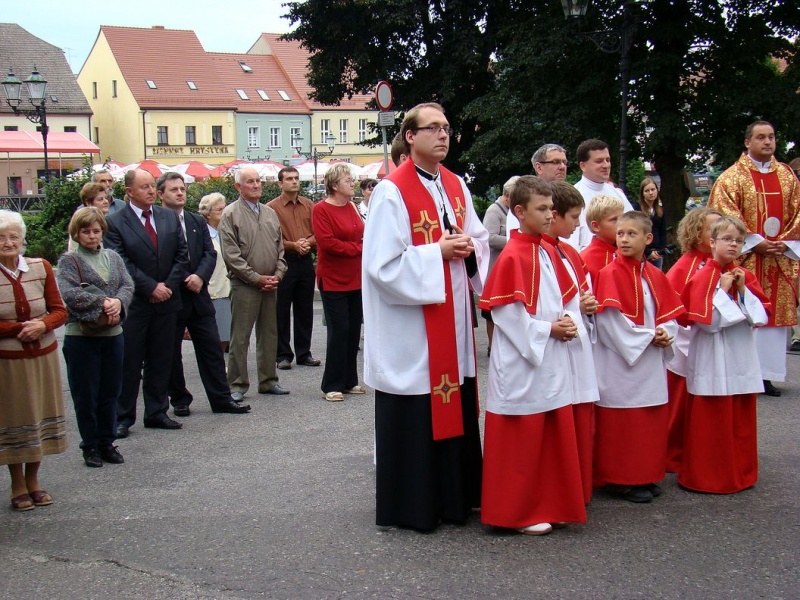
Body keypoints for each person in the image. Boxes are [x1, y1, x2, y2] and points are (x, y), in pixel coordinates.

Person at [363, 102, 489, 532]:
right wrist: (438, 251)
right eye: (432, 128)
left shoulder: (455, 184)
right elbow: (381, 264)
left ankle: (456, 499)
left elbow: (478, 237)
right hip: (414, 328)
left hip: (452, 321)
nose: (443, 135)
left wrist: (468, 248)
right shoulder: (391, 191)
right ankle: (414, 505)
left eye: (447, 128)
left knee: (454, 397)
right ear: (410, 137)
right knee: (420, 405)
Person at [479, 176, 588, 536]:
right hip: (522, 360)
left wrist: (569, 321)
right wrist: (548, 331)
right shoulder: (513, 254)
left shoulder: (543, 249)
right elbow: (507, 314)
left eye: (551, 209)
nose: (549, 214)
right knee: (522, 439)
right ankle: (516, 511)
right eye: (542, 209)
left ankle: (547, 502)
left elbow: (561, 296)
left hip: (548, 356)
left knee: (548, 434)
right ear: (520, 212)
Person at [593, 211, 685, 503]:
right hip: (621, 362)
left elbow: (670, 315)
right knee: (623, 424)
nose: (623, 239)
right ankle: (620, 480)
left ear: (648, 239)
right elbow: (609, 323)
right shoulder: (609, 274)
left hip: (650, 359)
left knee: (648, 421)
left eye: (631, 234)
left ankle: (645, 473)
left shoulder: (655, 275)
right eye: (620, 234)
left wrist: (665, 333)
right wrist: (648, 337)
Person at [708, 121, 800, 397]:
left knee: (772, 317)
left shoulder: (787, 177)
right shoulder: (731, 178)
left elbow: (798, 211)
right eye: (761, 137)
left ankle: (767, 376)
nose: (767, 142)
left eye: (771, 137)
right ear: (747, 142)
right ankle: (743, 372)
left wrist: (783, 243)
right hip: (746, 259)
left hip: (779, 257)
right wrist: (755, 243)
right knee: (745, 313)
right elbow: (723, 213)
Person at [679, 216, 770, 493]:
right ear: (712, 242)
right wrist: (723, 291)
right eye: (727, 239)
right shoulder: (703, 275)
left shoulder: (746, 275)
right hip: (712, 356)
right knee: (712, 419)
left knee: (739, 417)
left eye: (739, 241)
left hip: (739, 354)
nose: (733, 245)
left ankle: (740, 473)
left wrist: (742, 291)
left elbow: (760, 317)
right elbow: (707, 324)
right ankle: (708, 476)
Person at [104, 168, 190, 438]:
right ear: (129, 191)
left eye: (153, 186)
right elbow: (120, 262)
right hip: (136, 303)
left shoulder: (167, 217)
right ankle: (123, 416)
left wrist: (166, 286)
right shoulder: (116, 222)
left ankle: (157, 411)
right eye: (144, 187)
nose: (151, 191)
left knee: (161, 359)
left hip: (167, 300)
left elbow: (181, 255)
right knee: (130, 361)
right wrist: (150, 287)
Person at [156, 172, 250, 417]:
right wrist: (182, 278)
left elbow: (210, 253)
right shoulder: (157, 221)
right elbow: (160, 259)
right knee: (171, 351)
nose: (179, 193)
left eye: (182, 189)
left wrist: (199, 276)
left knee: (211, 348)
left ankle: (221, 399)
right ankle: (179, 398)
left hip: (199, 294)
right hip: (173, 295)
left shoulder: (196, 221)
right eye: (173, 189)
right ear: (160, 194)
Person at [0, 210, 67, 511]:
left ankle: (35, 480)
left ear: (23, 239)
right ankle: (17, 484)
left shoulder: (41, 267)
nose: (8, 242)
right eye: (1, 237)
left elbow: (59, 310)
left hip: (43, 358)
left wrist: (43, 325)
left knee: (38, 417)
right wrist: (18, 329)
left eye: (13, 236)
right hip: (8, 362)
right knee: (16, 420)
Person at [57, 207, 134, 468]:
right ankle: (89, 445)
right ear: (76, 234)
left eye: (96, 230)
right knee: (85, 394)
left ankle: (107, 442)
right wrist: (104, 304)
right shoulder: (70, 260)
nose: (92, 235)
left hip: (113, 335)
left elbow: (127, 285)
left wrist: (118, 303)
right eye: (86, 231)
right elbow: (69, 294)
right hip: (81, 336)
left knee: (110, 391)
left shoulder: (113, 257)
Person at [543, 180, 600, 504]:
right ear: (555, 215)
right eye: (574, 216)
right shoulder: (541, 252)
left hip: (578, 344)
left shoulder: (570, 252)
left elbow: (579, 291)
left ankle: (578, 487)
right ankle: (565, 490)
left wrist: (585, 306)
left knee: (579, 414)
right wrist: (576, 309)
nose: (578, 224)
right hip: (559, 343)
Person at [219, 167, 289, 400]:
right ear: (238, 187)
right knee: (240, 336)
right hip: (245, 284)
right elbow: (231, 255)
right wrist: (255, 278)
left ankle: (269, 380)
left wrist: (278, 274)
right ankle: (237, 384)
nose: (256, 185)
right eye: (250, 182)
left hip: (271, 282)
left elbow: (280, 248)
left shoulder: (269, 213)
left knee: (269, 334)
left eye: (258, 181)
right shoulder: (230, 214)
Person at [664, 207, 722, 472]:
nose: (719, 234)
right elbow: (674, 309)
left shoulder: (719, 263)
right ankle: (674, 454)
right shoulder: (685, 266)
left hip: (714, 344)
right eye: (713, 229)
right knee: (680, 405)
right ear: (696, 233)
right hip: (687, 345)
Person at [312, 164, 365, 401]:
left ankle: (349, 380)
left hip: (356, 277)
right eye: (347, 180)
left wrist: (362, 247)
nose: (352, 183)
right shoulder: (321, 209)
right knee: (339, 330)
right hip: (333, 279)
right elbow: (327, 242)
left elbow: (363, 234)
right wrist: (358, 249)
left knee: (353, 330)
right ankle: (331, 384)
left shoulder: (352, 206)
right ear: (334, 185)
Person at [267, 167, 321, 371]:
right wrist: (293, 245)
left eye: (296, 178)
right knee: (281, 308)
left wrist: (307, 243)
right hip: (284, 260)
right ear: (280, 183)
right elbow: (272, 237)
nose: (294, 182)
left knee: (305, 308)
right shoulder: (271, 207)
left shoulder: (309, 205)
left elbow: (318, 231)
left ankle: (304, 352)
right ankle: (282, 354)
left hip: (305, 259)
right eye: (289, 179)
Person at [570, 139, 634, 250]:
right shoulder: (573, 197)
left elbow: (634, 227)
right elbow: (570, 244)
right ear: (583, 166)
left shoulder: (618, 194)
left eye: (608, 160)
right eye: (599, 161)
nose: (606, 165)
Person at [481, 175, 518, 355]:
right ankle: (491, 345)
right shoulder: (494, 211)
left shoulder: (515, 212)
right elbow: (489, 237)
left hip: (510, 267)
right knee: (491, 311)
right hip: (495, 267)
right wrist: (514, 241)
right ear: (507, 195)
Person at [506, 144, 567, 235]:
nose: (562, 167)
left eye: (564, 162)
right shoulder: (523, 198)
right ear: (539, 167)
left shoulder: (571, 195)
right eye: (555, 162)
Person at [198, 193, 231, 352]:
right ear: (207, 213)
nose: (223, 212)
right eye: (219, 210)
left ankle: (221, 362)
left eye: (224, 208)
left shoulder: (225, 232)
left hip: (228, 287)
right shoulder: (203, 235)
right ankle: (216, 363)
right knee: (215, 332)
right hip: (213, 288)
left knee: (225, 331)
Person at [579, 194, 625, 283]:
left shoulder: (626, 251)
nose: (621, 224)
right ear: (595, 226)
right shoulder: (585, 259)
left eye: (622, 218)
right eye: (614, 220)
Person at [634, 177, 668, 270]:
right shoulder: (637, 209)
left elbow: (662, 232)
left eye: (653, 189)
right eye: (647, 191)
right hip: (642, 252)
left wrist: (661, 250)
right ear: (642, 194)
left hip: (657, 253)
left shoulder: (660, 209)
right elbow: (636, 232)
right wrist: (648, 252)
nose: (651, 193)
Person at [68, 182, 112, 252]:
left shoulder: (109, 221)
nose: (106, 201)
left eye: (106, 198)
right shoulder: (81, 221)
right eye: (100, 199)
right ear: (88, 203)